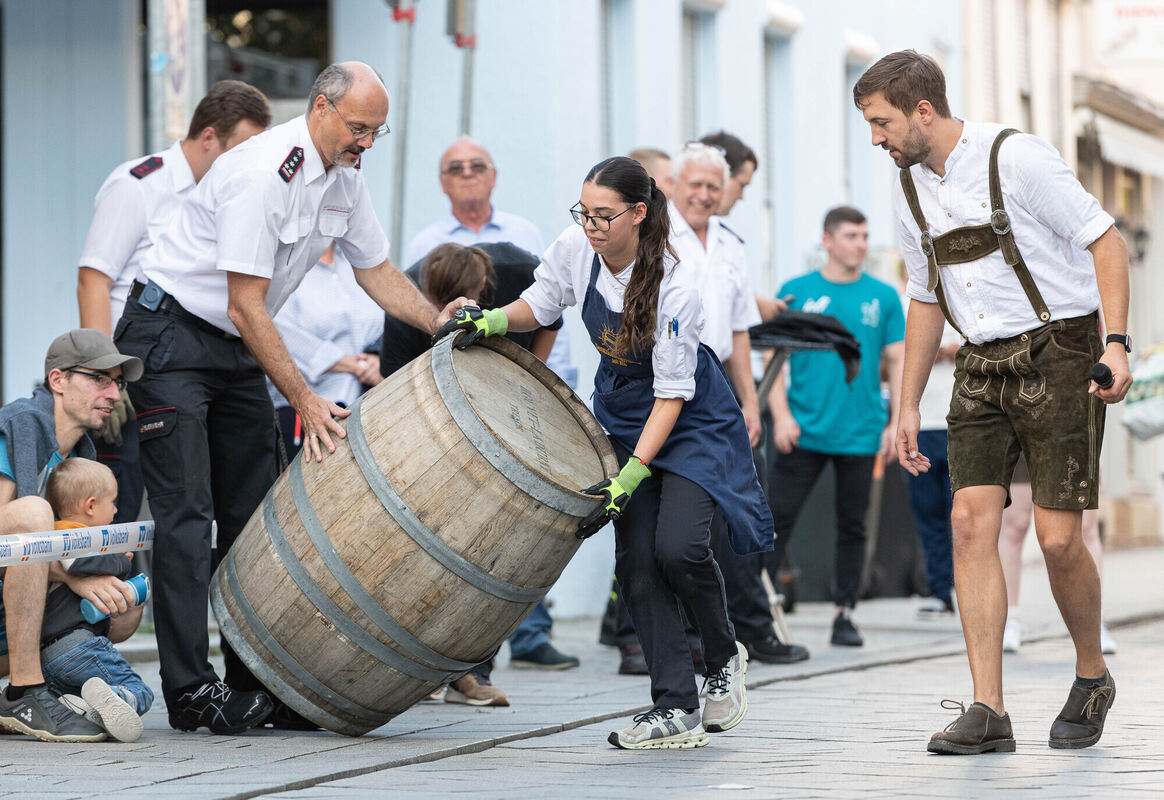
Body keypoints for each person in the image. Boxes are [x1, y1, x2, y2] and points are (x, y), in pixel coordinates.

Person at [115, 62, 465, 735]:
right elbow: (246, 304)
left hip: (232, 343)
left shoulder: (344, 178)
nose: (366, 142)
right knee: (188, 517)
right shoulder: (262, 172)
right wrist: (303, 397)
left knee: (255, 519)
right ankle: (191, 691)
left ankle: (257, 686)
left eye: (376, 131)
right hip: (174, 338)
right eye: (358, 128)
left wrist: (436, 321)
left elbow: (377, 269)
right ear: (322, 107)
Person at [435, 156, 771, 750]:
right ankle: (674, 707)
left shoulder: (676, 283)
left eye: (603, 216)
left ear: (639, 214)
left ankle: (722, 655)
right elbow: (539, 306)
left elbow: (671, 397)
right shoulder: (574, 248)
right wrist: (487, 321)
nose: (590, 225)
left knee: (680, 548)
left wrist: (632, 474)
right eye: (583, 212)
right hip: (620, 413)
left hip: (689, 420)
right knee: (638, 562)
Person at [857, 49, 1130, 754]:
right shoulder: (908, 187)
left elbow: (1105, 241)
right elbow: (924, 295)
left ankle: (1092, 674)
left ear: (924, 111)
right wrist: (907, 404)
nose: (877, 138)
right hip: (978, 364)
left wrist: (1118, 342)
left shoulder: (1018, 159)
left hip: (1060, 352)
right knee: (970, 524)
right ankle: (988, 709)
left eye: (883, 122)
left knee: (1059, 539)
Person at [380, 242, 579, 706]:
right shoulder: (406, 305)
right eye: (442, 307)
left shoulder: (521, 271)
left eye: (462, 304)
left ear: (485, 288)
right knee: (433, 550)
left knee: (494, 548)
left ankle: (471, 673)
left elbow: (551, 318)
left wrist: (530, 380)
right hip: (440, 424)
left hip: (509, 411)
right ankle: (424, 669)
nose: (452, 311)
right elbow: (395, 387)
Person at [76, 80, 271, 524]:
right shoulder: (140, 184)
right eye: (240, 148)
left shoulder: (234, 195)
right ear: (208, 138)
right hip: (132, 368)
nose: (248, 162)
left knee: (195, 507)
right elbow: (93, 280)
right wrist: (106, 378)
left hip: (195, 368)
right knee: (119, 510)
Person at [669, 141, 807, 665]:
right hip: (670, 381)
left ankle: (750, 628)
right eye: (695, 185)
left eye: (712, 186)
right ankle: (675, 638)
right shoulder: (656, 239)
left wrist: (752, 403)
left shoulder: (729, 243)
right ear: (673, 186)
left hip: (723, 381)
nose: (704, 195)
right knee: (674, 517)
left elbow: (741, 327)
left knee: (745, 505)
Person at [768, 206, 905, 648]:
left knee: (854, 525)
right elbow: (774, 357)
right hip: (802, 428)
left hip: (860, 430)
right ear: (827, 241)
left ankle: (845, 613)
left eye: (865, 236)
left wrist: (896, 421)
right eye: (851, 236)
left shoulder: (883, 297)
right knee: (774, 521)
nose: (861, 244)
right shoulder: (795, 291)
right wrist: (782, 416)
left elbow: (899, 360)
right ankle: (756, 612)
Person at [0, 329, 142, 742]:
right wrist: (74, 575)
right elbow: (9, 539)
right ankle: (24, 690)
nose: (114, 394)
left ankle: (64, 696)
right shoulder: (19, 424)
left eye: (118, 382)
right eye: (99, 379)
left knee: (123, 606)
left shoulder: (82, 456)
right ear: (58, 381)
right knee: (31, 514)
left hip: (15, 601)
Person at [404, 136, 578, 389]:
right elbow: (415, 319)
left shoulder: (525, 234)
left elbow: (551, 306)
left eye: (477, 166)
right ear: (443, 182)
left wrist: (555, 377)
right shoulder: (424, 244)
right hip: (452, 381)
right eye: (455, 168)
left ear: (493, 176)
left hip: (527, 375)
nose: (467, 174)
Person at [42, 458, 153, 743]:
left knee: (76, 692)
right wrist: (120, 559)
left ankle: (83, 708)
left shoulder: (53, 536)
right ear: (90, 506)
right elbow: (76, 562)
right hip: (79, 646)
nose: (116, 510)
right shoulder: (68, 537)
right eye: (113, 502)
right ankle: (116, 697)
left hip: (47, 655)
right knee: (141, 690)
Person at [270, 242, 384, 457]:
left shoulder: (357, 261)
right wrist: (358, 366)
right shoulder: (283, 265)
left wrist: (378, 359)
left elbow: (384, 321)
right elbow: (284, 336)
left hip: (370, 403)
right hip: (309, 411)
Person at [999, 459, 1116, 654]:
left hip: (1072, 432)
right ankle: (1010, 619)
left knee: (1085, 530)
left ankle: (1094, 623)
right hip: (1020, 435)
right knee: (1014, 527)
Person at [906, 318, 960, 619]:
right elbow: (890, 363)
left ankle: (969, 590)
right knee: (927, 513)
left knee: (965, 515)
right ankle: (940, 591)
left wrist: (956, 351)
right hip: (922, 424)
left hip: (962, 422)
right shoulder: (904, 303)